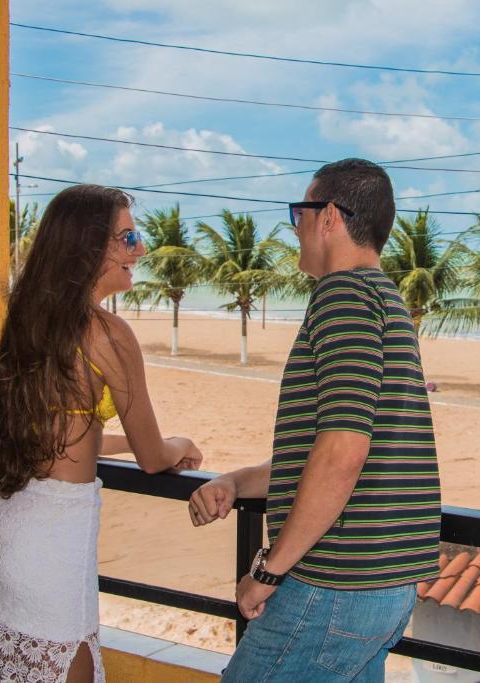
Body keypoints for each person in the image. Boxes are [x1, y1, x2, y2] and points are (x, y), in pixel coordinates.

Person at [189, 159, 442, 682]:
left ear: (328, 216)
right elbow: (332, 454)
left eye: (297, 214)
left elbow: (342, 453)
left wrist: (268, 570)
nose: (294, 228)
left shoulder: (342, 295)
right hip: (386, 586)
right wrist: (236, 482)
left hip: (334, 585)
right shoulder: (386, 300)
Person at [0, 185, 203, 683]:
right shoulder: (107, 333)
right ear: (88, 245)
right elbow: (154, 456)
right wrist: (180, 444)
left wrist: (118, 444)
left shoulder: (32, 321)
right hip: (50, 546)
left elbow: (59, 430)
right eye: (128, 237)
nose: (140, 249)